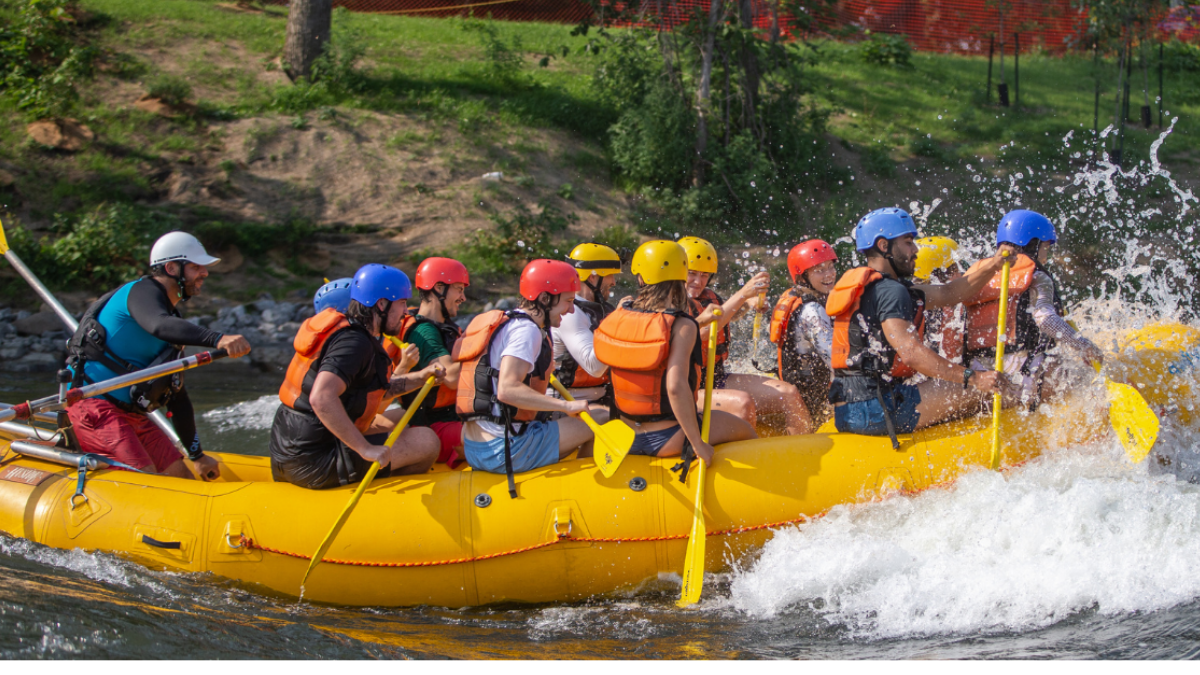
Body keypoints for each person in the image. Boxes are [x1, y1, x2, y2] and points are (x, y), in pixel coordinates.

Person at [63, 232, 252, 479]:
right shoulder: (141, 293)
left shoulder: (173, 321)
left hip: (132, 416)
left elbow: (177, 396)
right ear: (171, 268)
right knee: (148, 481)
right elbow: (158, 325)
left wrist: (196, 456)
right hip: (94, 407)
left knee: (182, 480)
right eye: (196, 267)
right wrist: (217, 338)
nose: (204, 273)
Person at [827, 208, 1011, 444]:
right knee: (988, 388)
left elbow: (950, 292)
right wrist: (974, 377)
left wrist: (994, 264)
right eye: (908, 243)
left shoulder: (879, 288)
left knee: (953, 385)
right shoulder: (890, 292)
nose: (915, 251)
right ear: (884, 246)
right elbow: (911, 353)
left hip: (848, 411)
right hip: (874, 411)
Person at [270, 264, 444, 489]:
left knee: (401, 420)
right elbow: (321, 397)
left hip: (293, 450)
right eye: (401, 303)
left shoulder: (354, 335)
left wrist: (422, 376)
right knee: (426, 441)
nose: (405, 312)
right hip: (314, 460)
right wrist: (365, 448)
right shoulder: (354, 343)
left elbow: (377, 390)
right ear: (381, 304)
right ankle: (385, 502)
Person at [595, 240, 757, 464]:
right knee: (745, 430)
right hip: (666, 437)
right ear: (682, 276)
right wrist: (697, 444)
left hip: (623, 434)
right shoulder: (681, 325)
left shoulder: (618, 314)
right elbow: (675, 387)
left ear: (640, 278)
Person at [456, 259, 595, 497]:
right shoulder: (527, 331)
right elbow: (507, 389)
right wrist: (565, 405)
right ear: (544, 298)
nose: (572, 310)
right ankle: (582, 491)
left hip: (475, 447)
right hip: (504, 450)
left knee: (566, 417)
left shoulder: (510, 322)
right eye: (568, 301)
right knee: (599, 417)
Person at [961, 210, 1104, 405]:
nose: (1046, 256)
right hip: (1024, 374)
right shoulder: (1037, 276)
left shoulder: (979, 275)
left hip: (981, 375)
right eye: (1045, 247)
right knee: (1087, 379)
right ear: (1033, 243)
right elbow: (1045, 319)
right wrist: (1083, 346)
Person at [677, 236, 813, 435]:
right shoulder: (670, 303)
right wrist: (743, 294)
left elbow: (727, 314)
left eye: (705, 275)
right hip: (688, 390)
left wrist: (748, 304)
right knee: (743, 404)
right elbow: (702, 333)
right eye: (692, 274)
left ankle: (803, 454)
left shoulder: (707, 297)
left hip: (715, 379)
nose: (698, 281)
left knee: (789, 394)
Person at [395, 257, 471, 467]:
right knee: (504, 437)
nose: (463, 297)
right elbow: (452, 378)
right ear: (439, 288)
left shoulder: (444, 327)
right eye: (458, 289)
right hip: (434, 426)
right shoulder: (423, 331)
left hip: (453, 417)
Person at [769, 239, 838, 427]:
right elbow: (836, 362)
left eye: (831, 267)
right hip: (813, 399)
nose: (829, 274)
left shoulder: (798, 296)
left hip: (803, 389)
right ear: (802, 277)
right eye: (819, 270)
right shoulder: (812, 311)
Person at [552, 243, 621, 408]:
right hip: (568, 404)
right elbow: (594, 367)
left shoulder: (604, 309)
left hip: (601, 400)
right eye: (611, 275)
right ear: (593, 277)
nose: (613, 282)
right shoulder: (570, 313)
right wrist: (619, 321)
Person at [913, 236, 966, 364]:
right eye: (957, 268)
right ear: (946, 274)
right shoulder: (942, 311)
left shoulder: (914, 298)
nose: (962, 274)